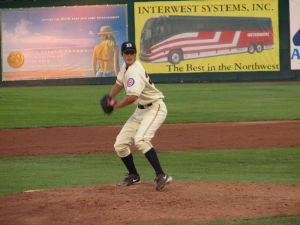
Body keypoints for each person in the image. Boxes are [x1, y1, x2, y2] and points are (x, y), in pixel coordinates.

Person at [108, 41, 172, 190]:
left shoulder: (134, 71)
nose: (129, 56)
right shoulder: (125, 67)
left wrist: (115, 106)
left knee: (141, 140)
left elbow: (132, 97)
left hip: (155, 108)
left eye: (132, 53)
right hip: (140, 111)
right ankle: (133, 175)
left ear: (135, 54)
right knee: (120, 145)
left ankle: (161, 175)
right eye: (127, 53)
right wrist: (109, 97)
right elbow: (119, 83)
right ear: (122, 55)